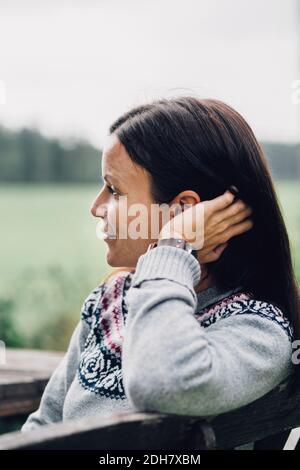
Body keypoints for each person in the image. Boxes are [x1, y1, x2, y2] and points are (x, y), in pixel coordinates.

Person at [22, 97, 299, 432]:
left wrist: (173, 247)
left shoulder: (258, 332)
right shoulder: (111, 300)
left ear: (183, 210)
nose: (96, 207)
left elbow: (161, 382)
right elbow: (44, 425)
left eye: (114, 189)